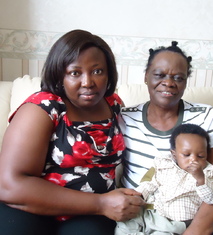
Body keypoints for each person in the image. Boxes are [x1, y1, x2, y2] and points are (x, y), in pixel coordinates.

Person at [0, 29, 144, 235]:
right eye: (75, 73)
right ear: (60, 74)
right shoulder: (43, 107)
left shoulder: (113, 105)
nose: (88, 82)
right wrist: (101, 203)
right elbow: (9, 185)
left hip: (89, 215)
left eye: (97, 71)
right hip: (33, 207)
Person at [119, 41, 213, 234]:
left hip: (195, 215)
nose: (169, 83)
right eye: (159, 75)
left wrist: (195, 231)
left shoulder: (204, 115)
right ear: (146, 76)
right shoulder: (124, 117)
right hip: (142, 215)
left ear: (186, 82)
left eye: (178, 77)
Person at [115, 123, 213, 234]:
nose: (193, 160)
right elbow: (149, 183)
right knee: (125, 224)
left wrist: (200, 179)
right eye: (186, 154)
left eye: (201, 156)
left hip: (174, 222)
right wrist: (137, 196)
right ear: (174, 154)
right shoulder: (163, 163)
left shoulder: (209, 173)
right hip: (151, 210)